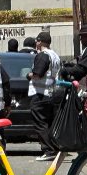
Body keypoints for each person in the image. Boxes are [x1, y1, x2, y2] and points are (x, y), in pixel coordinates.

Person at [26, 32, 61, 162]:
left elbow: (38, 74)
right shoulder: (55, 55)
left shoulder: (43, 55)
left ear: (40, 42)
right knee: (49, 122)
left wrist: (29, 75)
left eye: (37, 41)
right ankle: (55, 148)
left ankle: (48, 150)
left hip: (40, 94)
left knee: (40, 123)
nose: (36, 44)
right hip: (51, 93)